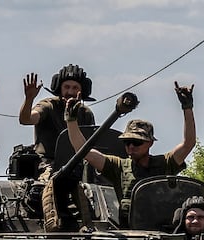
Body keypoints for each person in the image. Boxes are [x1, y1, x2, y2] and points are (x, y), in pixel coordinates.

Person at [65, 82, 196, 226]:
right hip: (130, 234)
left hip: (160, 232)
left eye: (137, 142)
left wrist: (187, 107)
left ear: (150, 143)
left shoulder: (164, 164)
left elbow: (188, 143)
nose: (131, 147)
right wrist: (71, 120)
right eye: (127, 142)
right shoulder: (119, 166)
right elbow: (83, 151)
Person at [19, 64, 96, 176]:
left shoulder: (86, 114)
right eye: (66, 87)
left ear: (82, 91)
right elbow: (26, 119)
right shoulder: (49, 106)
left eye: (75, 88)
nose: (70, 92)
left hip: (77, 166)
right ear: (59, 88)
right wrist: (29, 99)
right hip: (47, 165)